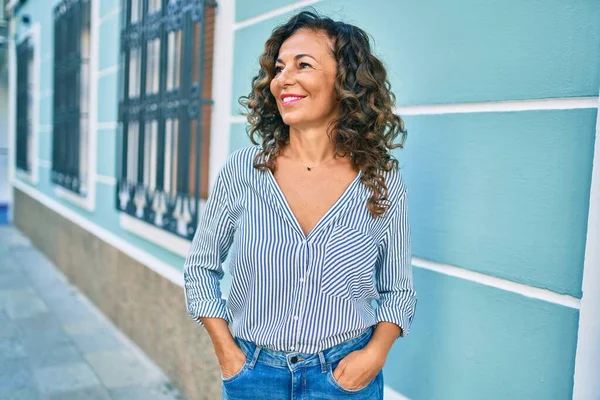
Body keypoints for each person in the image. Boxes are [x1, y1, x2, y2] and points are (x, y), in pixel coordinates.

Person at [183, 10, 417, 400]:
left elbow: (398, 289)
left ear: (346, 81)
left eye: (302, 64)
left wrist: (374, 355)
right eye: (278, 68)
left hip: (345, 377)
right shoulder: (244, 170)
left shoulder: (380, 180)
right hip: (254, 375)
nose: (282, 80)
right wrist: (227, 352)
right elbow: (200, 267)